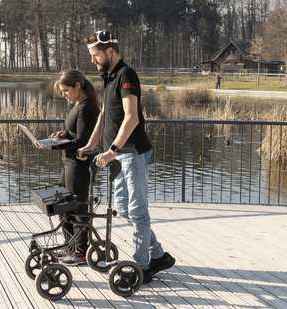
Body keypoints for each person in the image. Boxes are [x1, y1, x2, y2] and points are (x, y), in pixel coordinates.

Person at [79, 30, 175, 283]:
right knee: (123, 208)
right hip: (119, 154)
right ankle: (158, 255)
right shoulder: (109, 77)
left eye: (95, 55)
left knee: (138, 211)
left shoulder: (126, 75)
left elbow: (131, 118)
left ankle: (141, 268)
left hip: (132, 153)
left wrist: (112, 151)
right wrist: (91, 144)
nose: (93, 60)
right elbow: (105, 116)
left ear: (109, 51)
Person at [41, 70, 100, 265]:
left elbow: (82, 141)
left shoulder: (87, 108)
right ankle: (70, 247)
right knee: (63, 205)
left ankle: (80, 252)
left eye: (66, 90)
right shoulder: (77, 105)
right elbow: (73, 132)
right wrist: (61, 134)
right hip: (68, 162)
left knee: (77, 206)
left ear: (77, 86)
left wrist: (55, 145)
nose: (64, 94)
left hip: (79, 164)